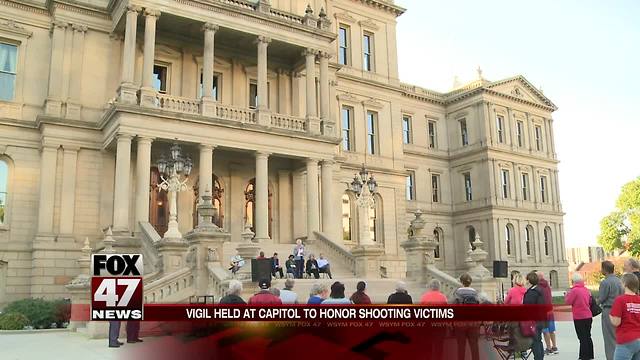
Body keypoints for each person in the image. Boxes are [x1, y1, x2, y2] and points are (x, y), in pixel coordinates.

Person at [450, 273, 481, 360]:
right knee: (474, 346)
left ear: (461, 282)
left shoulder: (457, 293)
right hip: (474, 323)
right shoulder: (475, 293)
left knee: (461, 346)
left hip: (461, 323)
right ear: (470, 282)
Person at [610, 273, 640, 359]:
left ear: (624, 284)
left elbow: (616, 322)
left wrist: (610, 316)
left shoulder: (620, 300)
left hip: (626, 339)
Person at [565, 272, 594, 360]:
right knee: (588, 335)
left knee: (582, 337)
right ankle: (590, 354)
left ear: (573, 281)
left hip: (579, 317)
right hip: (588, 315)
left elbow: (568, 302)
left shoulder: (574, 290)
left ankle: (583, 356)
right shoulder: (586, 289)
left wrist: (566, 295)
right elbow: (590, 302)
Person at [599, 260, 624, 360]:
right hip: (620, 310)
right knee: (618, 336)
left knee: (609, 339)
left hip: (609, 310)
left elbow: (601, 298)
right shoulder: (620, 281)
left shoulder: (605, 282)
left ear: (605, 269)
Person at [523, 271, 545, 360]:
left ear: (529, 281)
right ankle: (540, 357)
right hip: (540, 319)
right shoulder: (539, 290)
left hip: (533, 320)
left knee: (535, 341)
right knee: (538, 340)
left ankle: (538, 358)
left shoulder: (532, 293)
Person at [537, 271, 558, 355]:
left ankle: (548, 348)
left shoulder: (538, 287)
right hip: (550, 310)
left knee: (545, 331)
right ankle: (554, 347)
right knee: (551, 330)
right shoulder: (547, 286)